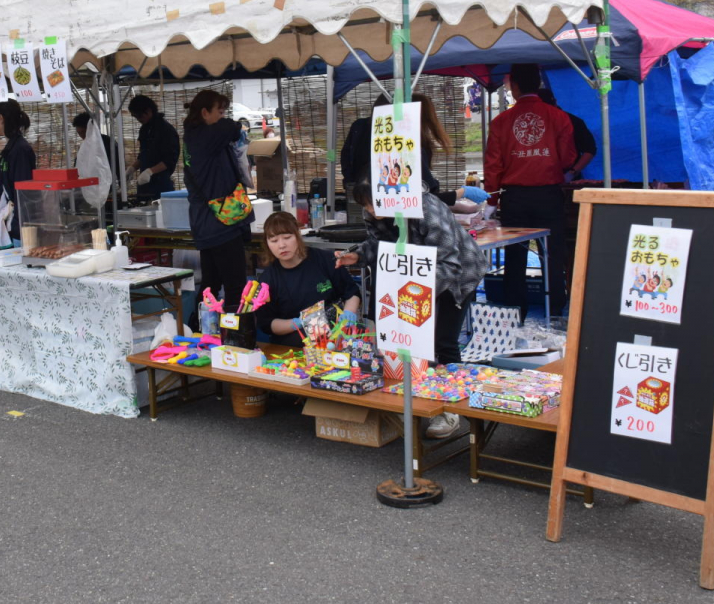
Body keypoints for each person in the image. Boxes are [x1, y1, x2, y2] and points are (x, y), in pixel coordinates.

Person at [336, 179, 488, 439]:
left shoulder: (428, 208)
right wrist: (358, 255)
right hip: (409, 281)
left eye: (374, 203)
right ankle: (414, 400)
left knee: (442, 341)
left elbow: (450, 264)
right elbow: (380, 245)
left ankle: (450, 408)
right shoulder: (374, 210)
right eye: (366, 205)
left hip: (457, 275)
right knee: (404, 343)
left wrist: (412, 293)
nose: (371, 210)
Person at [484, 64, 577, 317]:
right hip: (548, 195)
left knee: (515, 254)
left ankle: (515, 310)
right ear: (539, 84)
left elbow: (493, 165)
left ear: (514, 87)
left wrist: (491, 201)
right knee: (552, 253)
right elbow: (568, 158)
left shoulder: (501, 121)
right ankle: (555, 308)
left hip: (514, 197)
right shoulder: (558, 117)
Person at [341, 93, 488, 205]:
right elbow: (425, 199)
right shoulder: (407, 148)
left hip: (362, 205)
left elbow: (346, 164)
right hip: (395, 220)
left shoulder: (361, 129)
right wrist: (462, 192)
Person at [182, 89, 252, 312]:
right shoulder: (206, 136)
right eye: (220, 112)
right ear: (205, 112)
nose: (223, 117)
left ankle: (201, 327)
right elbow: (233, 127)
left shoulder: (193, 136)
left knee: (210, 285)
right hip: (221, 223)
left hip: (206, 222)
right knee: (235, 286)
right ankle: (234, 329)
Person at [255, 212, 360, 346]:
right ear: (267, 243)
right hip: (293, 344)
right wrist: (296, 323)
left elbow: (352, 293)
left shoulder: (325, 259)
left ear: (298, 234)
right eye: (274, 241)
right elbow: (267, 324)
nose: (281, 245)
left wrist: (348, 314)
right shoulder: (268, 280)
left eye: (287, 237)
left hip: (335, 335)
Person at [0, 99, 37, 241]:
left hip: (19, 226)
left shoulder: (20, 149)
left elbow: (23, 191)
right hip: (11, 223)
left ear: (1, 118)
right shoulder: (11, 148)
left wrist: (17, 226)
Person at [537, 88, 596, 181]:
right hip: (540, 177)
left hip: (568, 177)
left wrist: (572, 172)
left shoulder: (573, 121)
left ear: (555, 102)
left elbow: (590, 150)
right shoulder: (535, 123)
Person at [128, 94, 180, 199]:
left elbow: (169, 160)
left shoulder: (166, 130)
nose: (138, 119)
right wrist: (132, 168)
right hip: (144, 183)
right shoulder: (144, 129)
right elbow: (143, 154)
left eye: (139, 116)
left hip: (161, 184)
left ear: (148, 111)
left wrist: (150, 172)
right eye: (136, 117)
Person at [72, 111, 115, 177]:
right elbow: (78, 165)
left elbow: (115, 163)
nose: (82, 136)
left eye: (83, 132)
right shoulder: (84, 146)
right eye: (79, 133)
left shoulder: (107, 142)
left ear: (90, 128)